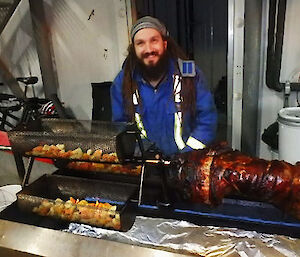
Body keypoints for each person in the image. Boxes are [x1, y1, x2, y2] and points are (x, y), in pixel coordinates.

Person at [111, 16, 217, 157]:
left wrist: (188, 156)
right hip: (145, 163)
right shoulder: (123, 82)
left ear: (164, 44)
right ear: (134, 49)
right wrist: (141, 151)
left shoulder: (190, 75)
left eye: (154, 40)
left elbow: (207, 119)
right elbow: (121, 127)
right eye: (140, 43)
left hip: (187, 163)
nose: (148, 49)